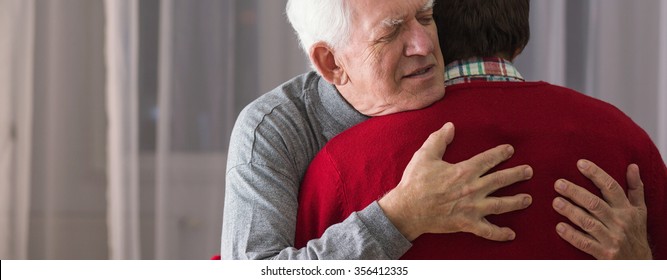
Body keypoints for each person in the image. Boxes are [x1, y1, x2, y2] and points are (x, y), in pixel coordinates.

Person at [295, 0, 667, 259]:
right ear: (522, 38)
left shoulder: (340, 164)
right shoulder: (623, 139)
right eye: (392, 29)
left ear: (436, 27)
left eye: (424, 18)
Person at [221, 0, 536, 259]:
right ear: (331, 62)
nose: (424, 45)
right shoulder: (274, 128)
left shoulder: (456, 88)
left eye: (426, 18)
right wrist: (400, 217)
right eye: (391, 32)